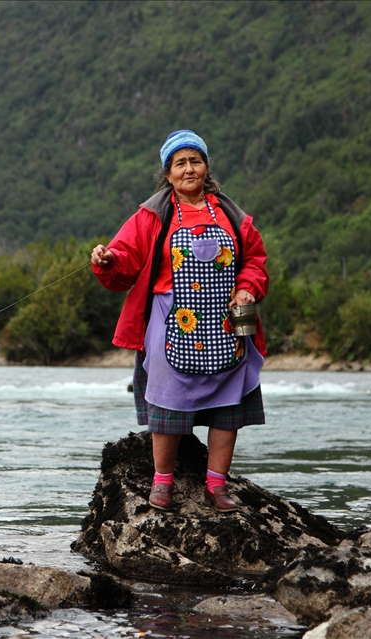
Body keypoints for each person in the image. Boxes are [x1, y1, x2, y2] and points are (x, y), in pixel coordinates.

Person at [91, 130, 269, 512]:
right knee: (168, 401)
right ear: (167, 174)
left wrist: (247, 287)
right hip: (170, 320)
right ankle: (162, 484)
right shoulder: (152, 215)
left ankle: (217, 487)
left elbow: (255, 260)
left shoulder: (232, 215)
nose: (189, 169)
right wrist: (107, 261)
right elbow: (123, 260)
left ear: (206, 167)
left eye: (196, 161)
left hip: (225, 324)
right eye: (180, 163)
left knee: (228, 404)